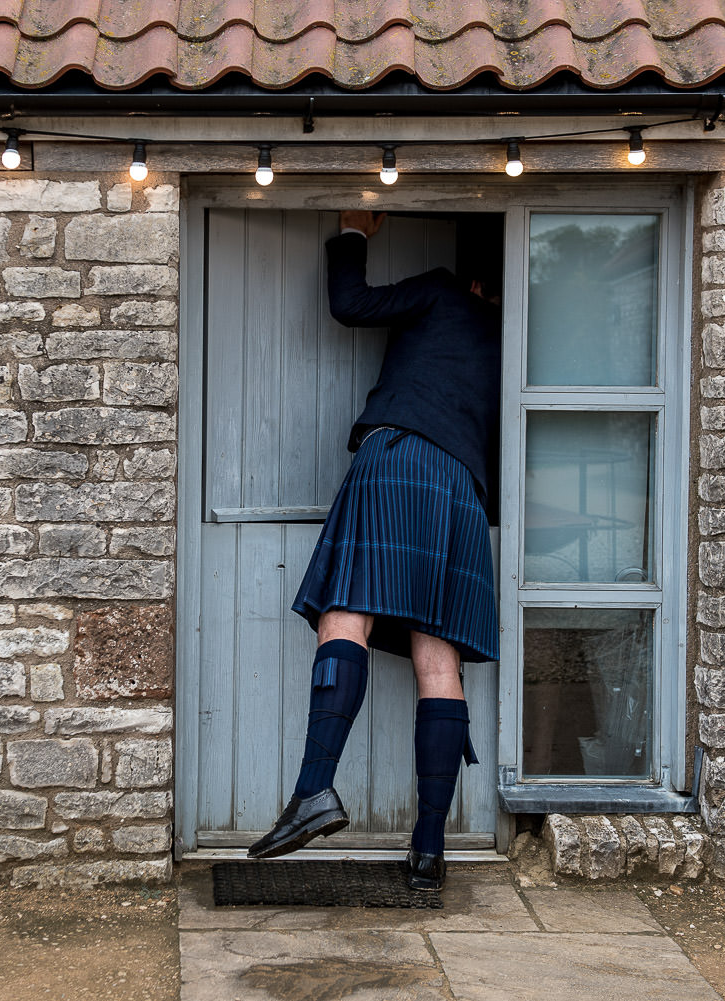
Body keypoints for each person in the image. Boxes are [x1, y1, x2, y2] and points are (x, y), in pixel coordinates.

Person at [246, 210, 501, 893]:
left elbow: (350, 303)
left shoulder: (444, 291)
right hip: (464, 494)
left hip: (402, 456)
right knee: (438, 658)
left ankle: (313, 789)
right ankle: (427, 848)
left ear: (472, 274)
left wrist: (354, 233)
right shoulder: (513, 337)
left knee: (344, 616)